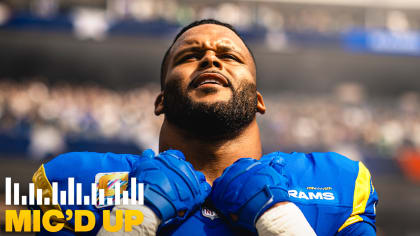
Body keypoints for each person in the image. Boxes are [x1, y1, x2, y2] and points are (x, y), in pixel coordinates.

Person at [32, 19, 378, 236]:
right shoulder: (73, 182)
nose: (210, 59)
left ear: (258, 100)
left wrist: (282, 222)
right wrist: (135, 217)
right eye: (188, 56)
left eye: (229, 57)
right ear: (161, 100)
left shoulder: (340, 184)